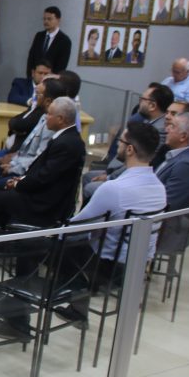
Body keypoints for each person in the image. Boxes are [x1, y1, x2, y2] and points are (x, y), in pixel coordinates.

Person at [52, 122, 167, 326]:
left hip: (109, 268)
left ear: (130, 149)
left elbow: (74, 228)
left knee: (58, 245)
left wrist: (50, 235)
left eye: (120, 141)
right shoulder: (160, 188)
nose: (117, 146)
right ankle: (78, 305)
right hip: (140, 264)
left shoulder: (114, 188)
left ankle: (77, 306)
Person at [0, 97, 85, 231]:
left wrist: (17, 184)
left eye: (49, 114)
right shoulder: (67, 138)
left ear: (60, 119)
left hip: (44, 204)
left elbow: (44, 177)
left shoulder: (66, 144)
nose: (46, 117)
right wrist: (20, 179)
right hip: (42, 193)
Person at [84, 83, 172, 199]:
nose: (139, 103)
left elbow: (138, 161)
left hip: (131, 178)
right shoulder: (148, 121)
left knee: (90, 187)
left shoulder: (158, 130)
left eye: (142, 99)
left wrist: (109, 177)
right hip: (121, 171)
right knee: (88, 177)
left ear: (152, 106)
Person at [0, 78, 67, 183]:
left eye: (38, 95)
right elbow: (15, 123)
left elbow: (38, 159)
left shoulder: (50, 126)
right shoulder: (44, 116)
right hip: (18, 160)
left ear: (48, 101)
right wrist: (13, 160)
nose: (34, 98)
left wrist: (12, 167)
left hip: (25, 174)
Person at [156, 112, 189, 212]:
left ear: (183, 136)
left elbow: (166, 206)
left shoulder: (187, 166)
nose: (166, 129)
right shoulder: (179, 157)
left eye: (172, 126)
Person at [25, 6, 71, 74]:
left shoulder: (65, 41)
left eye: (49, 19)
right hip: (35, 77)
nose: (46, 21)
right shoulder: (39, 36)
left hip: (51, 79)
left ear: (58, 20)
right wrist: (30, 76)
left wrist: (50, 78)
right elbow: (31, 58)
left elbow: (61, 66)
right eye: (44, 19)